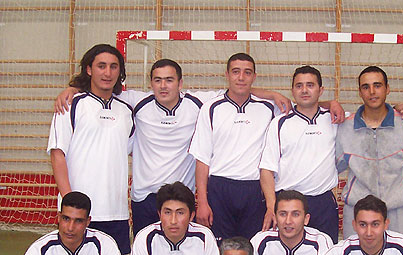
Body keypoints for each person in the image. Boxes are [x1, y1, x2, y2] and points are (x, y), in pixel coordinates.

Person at [55, 58, 292, 237]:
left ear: (180, 83)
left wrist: (271, 94)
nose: (163, 86)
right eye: (157, 80)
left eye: (169, 80)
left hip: (181, 197)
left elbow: (238, 90)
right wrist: (74, 89)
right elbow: (101, 90)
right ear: (151, 83)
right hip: (144, 197)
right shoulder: (135, 103)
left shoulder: (199, 103)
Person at [190, 54, 344, 241]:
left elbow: (304, 105)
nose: (241, 77)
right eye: (236, 72)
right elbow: (202, 159)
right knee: (221, 251)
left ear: (254, 77)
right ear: (227, 74)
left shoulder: (270, 108)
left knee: (254, 250)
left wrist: (331, 104)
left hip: (255, 191)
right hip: (220, 188)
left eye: (247, 73)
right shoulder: (211, 108)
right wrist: (202, 201)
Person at [260, 65, 403, 244]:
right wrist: (272, 205)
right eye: (299, 85)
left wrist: (397, 109)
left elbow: (373, 116)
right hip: (288, 202)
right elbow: (266, 170)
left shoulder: (337, 120)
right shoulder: (279, 123)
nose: (304, 90)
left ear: (321, 90)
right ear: (292, 90)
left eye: (310, 85)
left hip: (323, 202)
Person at [48, 44, 133, 255]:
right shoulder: (70, 105)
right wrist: (70, 205)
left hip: (116, 212)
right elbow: (58, 155)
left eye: (114, 67)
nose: (107, 72)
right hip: (80, 213)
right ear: (89, 69)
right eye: (101, 66)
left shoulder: (126, 111)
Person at [336, 66, 403, 238]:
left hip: (397, 211)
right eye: (366, 87)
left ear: (387, 89)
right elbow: (331, 166)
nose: (372, 92)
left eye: (377, 85)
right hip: (357, 210)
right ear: (360, 92)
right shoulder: (345, 127)